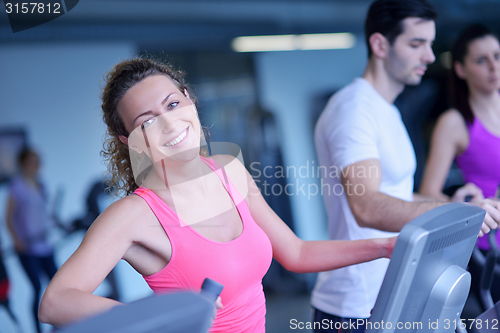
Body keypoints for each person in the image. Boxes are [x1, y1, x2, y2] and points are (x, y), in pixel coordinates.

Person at [38, 57, 397, 332]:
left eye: (173, 104)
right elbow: (55, 303)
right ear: (131, 143)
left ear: (190, 101)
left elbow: (297, 252)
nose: (168, 124)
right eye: (146, 121)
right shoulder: (134, 215)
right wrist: (165, 315)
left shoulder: (228, 171)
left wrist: (383, 248)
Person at [312, 1, 500, 332]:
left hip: (393, 292)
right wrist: (461, 219)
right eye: (416, 44)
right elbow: (367, 206)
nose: (429, 56)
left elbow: (397, 194)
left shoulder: (388, 110)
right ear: (380, 44)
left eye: (429, 44)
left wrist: (450, 205)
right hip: (355, 307)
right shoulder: (354, 109)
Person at [419, 24, 500, 306]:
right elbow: (428, 193)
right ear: (461, 69)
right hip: (488, 252)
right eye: (481, 60)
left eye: (497, 56)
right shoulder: (454, 123)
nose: (493, 66)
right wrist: (465, 205)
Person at [6, 147, 58, 333]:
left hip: (45, 245)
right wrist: (16, 239)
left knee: (57, 284)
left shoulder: (41, 184)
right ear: (24, 164)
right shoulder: (17, 186)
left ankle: (59, 325)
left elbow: (44, 213)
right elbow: (8, 217)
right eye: (32, 161)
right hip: (28, 248)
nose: (37, 165)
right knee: (37, 288)